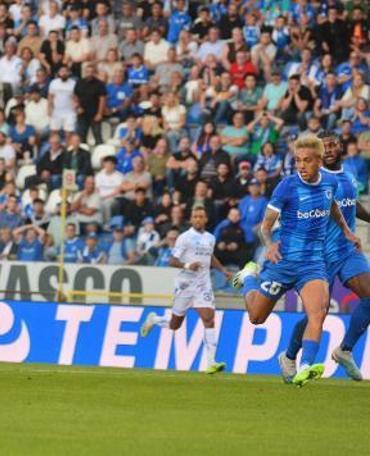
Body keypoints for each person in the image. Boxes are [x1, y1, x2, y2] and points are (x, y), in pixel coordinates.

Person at [232, 135, 359, 387]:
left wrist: (346, 230)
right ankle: (248, 277)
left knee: (318, 313)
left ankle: (305, 367)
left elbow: (332, 207)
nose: (301, 165)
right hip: (283, 261)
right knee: (256, 318)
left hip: (312, 263)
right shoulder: (287, 186)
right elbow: (265, 227)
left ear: (319, 161)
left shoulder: (330, 182)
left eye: (307, 161)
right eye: (298, 160)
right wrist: (269, 246)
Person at [280, 134, 370, 382]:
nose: (329, 149)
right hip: (320, 256)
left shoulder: (350, 175)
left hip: (348, 252)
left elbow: (352, 206)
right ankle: (289, 356)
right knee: (315, 315)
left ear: (341, 147)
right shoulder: (314, 181)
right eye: (325, 146)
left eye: (333, 145)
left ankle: (345, 350)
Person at [140, 206, 232, 374]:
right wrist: (189, 265)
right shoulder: (185, 238)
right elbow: (172, 261)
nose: (198, 219)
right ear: (191, 219)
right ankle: (154, 320)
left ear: (205, 219)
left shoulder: (210, 238)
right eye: (195, 216)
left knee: (209, 318)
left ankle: (211, 362)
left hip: (203, 284)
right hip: (185, 285)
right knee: (175, 325)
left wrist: (223, 270)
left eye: (201, 216)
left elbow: (210, 256)